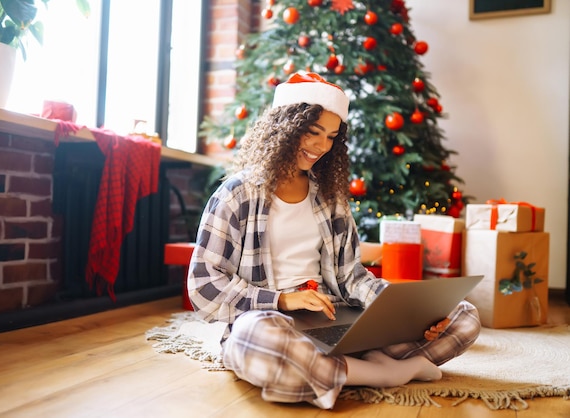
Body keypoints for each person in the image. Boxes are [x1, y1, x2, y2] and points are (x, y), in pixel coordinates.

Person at [187, 72, 480, 409]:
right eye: (312, 132)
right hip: (269, 320)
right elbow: (204, 284)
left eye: (330, 137)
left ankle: (330, 370)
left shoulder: (330, 199)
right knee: (257, 339)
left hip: (334, 322)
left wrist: (403, 311)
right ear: (283, 126)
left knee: (464, 318)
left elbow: (350, 277)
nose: (320, 147)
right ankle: (385, 373)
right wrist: (283, 300)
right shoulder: (236, 194)